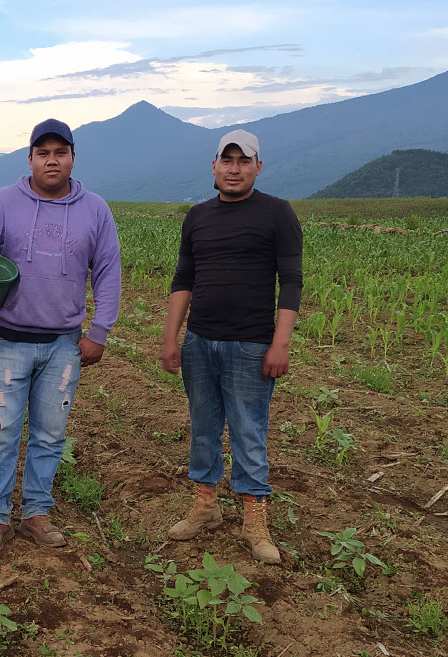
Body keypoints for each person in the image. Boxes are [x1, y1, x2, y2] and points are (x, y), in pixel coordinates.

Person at [0, 118, 121, 555]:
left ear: (72, 158)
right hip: (8, 341)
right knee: (1, 432)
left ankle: (37, 512)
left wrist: (99, 330)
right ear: (30, 159)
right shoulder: (2, 203)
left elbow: (108, 271)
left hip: (64, 345)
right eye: (43, 153)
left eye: (60, 152)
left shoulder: (95, 209)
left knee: (50, 433)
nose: (51, 160)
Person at [160, 128, 303, 565]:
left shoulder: (277, 213)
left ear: (258, 166)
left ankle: (254, 519)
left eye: (244, 162)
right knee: (203, 427)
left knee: (247, 430)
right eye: (227, 161)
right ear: (214, 167)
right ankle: (206, 506)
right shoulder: (197, 217)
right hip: (200, 342)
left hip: (251, 346)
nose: (235, 169)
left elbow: (291, 283)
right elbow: (184, 280)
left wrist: (280, 345)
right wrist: (172, 339)